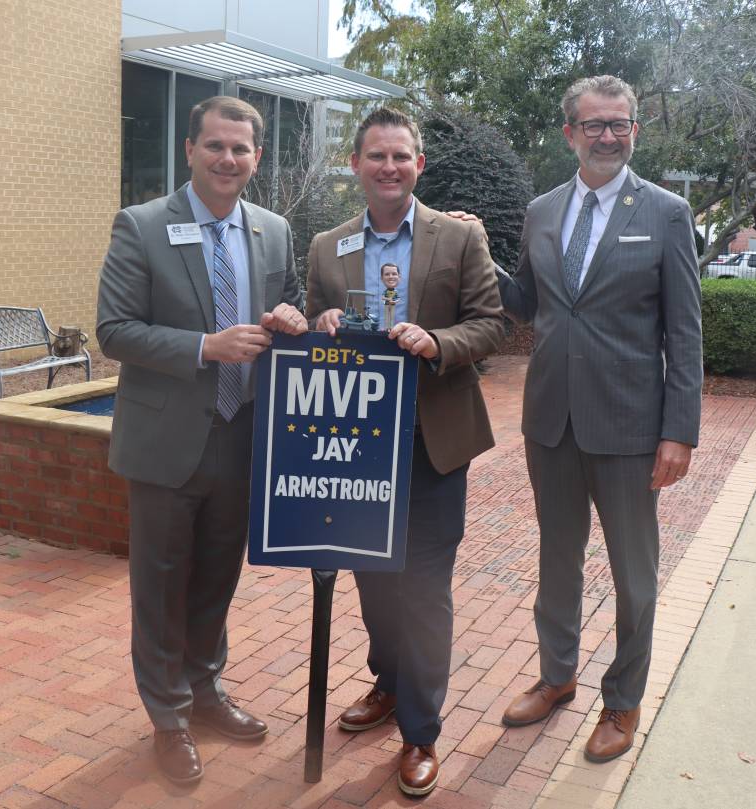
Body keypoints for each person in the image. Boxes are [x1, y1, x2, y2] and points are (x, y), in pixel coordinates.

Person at [96, 96, 307, 784]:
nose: (227, 159)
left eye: (240, 148)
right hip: (165, 442)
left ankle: (206, 690)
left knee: (217, 576)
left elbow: (294, 303)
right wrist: (205, 346)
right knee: (159, 585)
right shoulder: (143, 225)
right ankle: (168, 716)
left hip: (240, 435)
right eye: (214, 145)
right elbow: (115, 330)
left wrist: (289, 316)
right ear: (190, 150)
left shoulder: (274, 230)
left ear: (257, 157)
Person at [497, 75, 702, 763]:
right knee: (557, 557)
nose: (608, 135)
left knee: (632, 571)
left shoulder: (668, 212)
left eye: (620, 124)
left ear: (634, 131)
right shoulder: (542, 210)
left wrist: (680, 429)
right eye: (595, 125)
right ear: (570, 133)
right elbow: (528, 302)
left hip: (629, 427)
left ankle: (622, 699)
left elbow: (686, 332)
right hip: (550, 419)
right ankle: (557, 677)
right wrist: (477, 254)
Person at [306, 107, 503, 796]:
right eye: (376, 156)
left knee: (423, 590)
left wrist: (439, 342)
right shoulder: (328, 246)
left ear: (419, 164)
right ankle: (388, 684)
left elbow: (489, 323)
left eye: (401, 156)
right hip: (357, 447)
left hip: (432, 443)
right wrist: (320, 321)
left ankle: (420, 732)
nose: (389, 167)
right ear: (356, 164)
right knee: (373, 582)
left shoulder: (458, 237)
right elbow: (311, 332)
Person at [380, 261, 401, 330]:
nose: (391, 277)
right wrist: (388, 299)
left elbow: (398, 298)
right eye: (387, 274)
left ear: (399, 277)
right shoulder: (386, 291)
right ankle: (386, 328)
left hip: (392, 305)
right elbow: (382, 297)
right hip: (386, 305)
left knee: (392, 316)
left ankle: (391, 328)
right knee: (386, 316)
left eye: (394, 274)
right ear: (382, 278)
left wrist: (395, 301)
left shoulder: (395, 291)